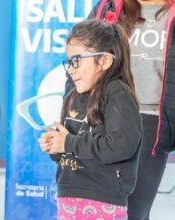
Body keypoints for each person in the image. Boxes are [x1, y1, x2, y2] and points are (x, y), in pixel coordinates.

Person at [38, 19, 142, 219]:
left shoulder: (117, 93)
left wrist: (69, 142)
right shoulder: (74, 94)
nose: (71, 69)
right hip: (68, 195)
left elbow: (121, 145)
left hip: (103, 200)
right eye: (69, 62)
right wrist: (57, 146)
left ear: (104, 60)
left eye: (77, 60)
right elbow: (71, 146)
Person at [82, 1, 175, 219]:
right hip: (103, 116)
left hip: (152, 121)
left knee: (131, 211)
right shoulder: (108, 6)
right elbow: (81, 56)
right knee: (95, 209)